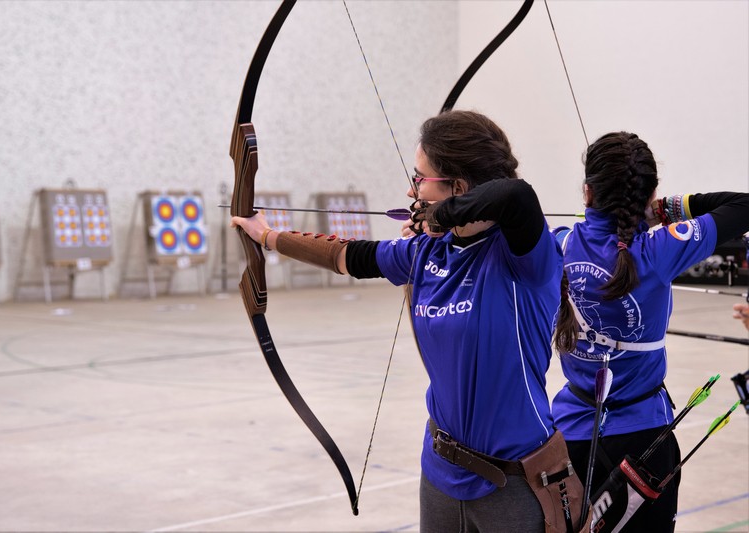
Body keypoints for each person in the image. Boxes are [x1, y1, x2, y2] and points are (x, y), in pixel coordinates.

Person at [233, 110, 588, 532]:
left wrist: (441, 215)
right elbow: (349, 256)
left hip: (514, 482)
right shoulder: (425, 254)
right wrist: (268, 237)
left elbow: (518, 197)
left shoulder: (525, 257)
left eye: (420, 179)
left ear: (458, 188)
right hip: (440, 472)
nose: (410, 189)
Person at [552, 131, 749, 532]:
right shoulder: (661, 249)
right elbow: (744, 206)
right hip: (645, 440)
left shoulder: (557, 244)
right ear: (649, 194)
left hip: (567, 437)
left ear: (587, 192)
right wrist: (666, 210)